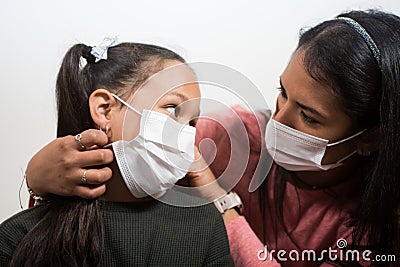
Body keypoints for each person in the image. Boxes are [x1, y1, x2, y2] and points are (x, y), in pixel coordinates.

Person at [16, 9, 400, 266]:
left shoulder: (384, 225)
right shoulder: (234, 137)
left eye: (310, 116)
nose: (277, 120)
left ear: (372, 139)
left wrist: (218, 199)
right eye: (282, 92)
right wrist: (37, 178)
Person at [0, 40, 234, 266]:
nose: (185, 133)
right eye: (173, 108)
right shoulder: (19, 237)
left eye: (192, 122)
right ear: (104, 110)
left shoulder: (204, 224)